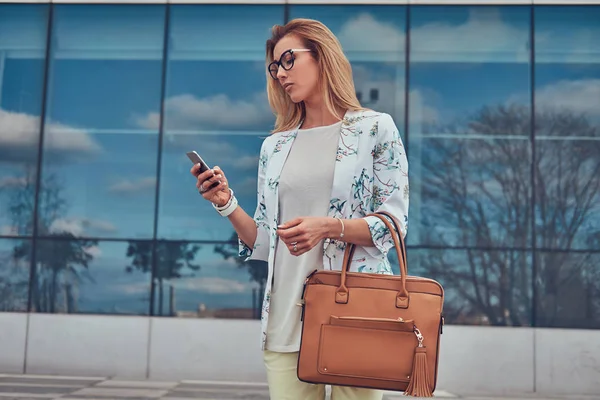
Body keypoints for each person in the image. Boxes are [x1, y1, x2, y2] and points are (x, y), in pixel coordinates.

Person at [190, 18, 409, 400]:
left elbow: (393, 225)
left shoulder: (376, 129)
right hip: (285, 317)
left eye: (288, 60)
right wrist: (226, 203)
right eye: (275, 67)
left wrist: (328, 227)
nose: (280, 74)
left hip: (353, 313)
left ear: (322, 56)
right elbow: (264, 242)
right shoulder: (273, 147)